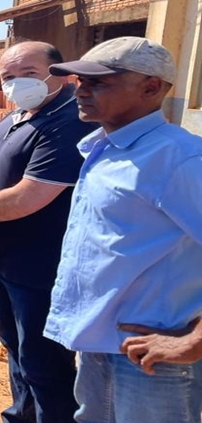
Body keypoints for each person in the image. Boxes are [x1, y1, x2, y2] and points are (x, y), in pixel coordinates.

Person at [44, 36, 202, 423]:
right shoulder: (107, 148)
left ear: (151, 88)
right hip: (101, 344)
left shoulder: (178, 158)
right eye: (80, 81)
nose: (80, 91)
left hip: (152, 359)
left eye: (98, 82)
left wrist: (194, 341)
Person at [0, 41, 98, 423]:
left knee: (44, 361)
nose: (16, 84)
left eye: (28, 74)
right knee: (15, 346)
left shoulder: (68, 122)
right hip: (1, 257)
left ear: (60, 74)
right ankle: (20, 416)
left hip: (38, 264)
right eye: (8, 77)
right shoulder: (17, 115)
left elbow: (28, 197)